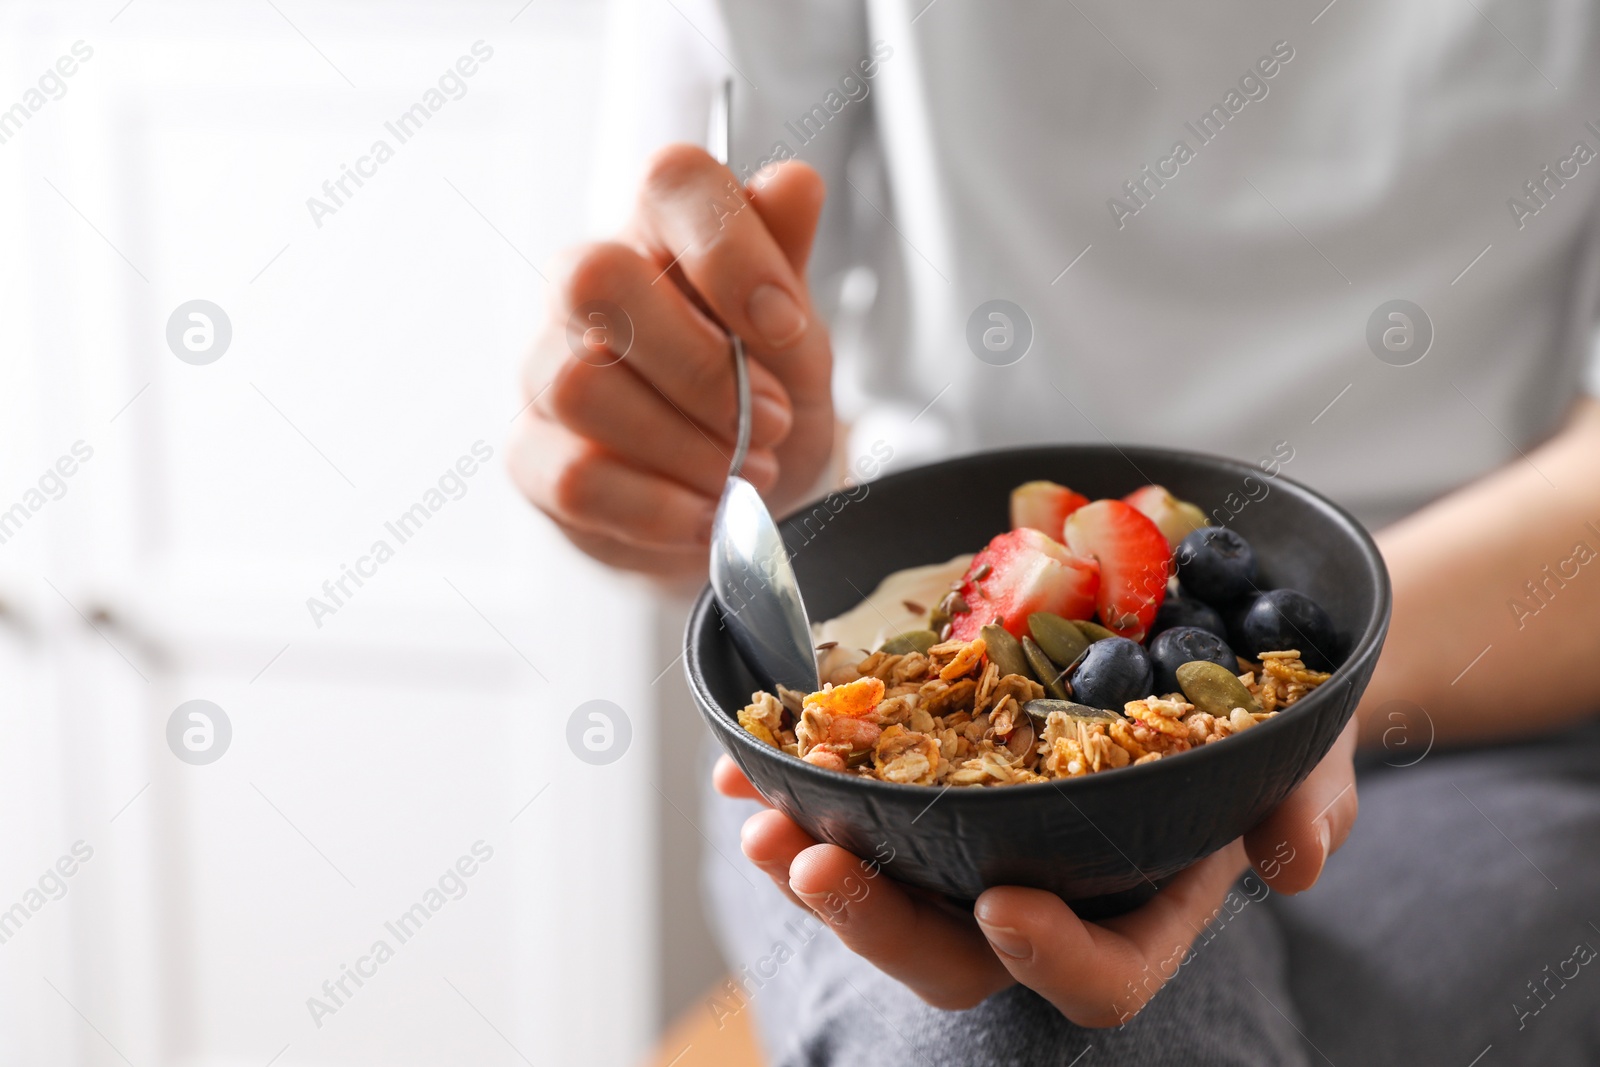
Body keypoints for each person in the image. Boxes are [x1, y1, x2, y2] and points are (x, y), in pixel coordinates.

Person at [509, 3, 1600, 1063]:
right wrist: (698, 450)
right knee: (1026, 1026)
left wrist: (1303, 705)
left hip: (1485, 702)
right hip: (907, 709)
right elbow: (682, 349)